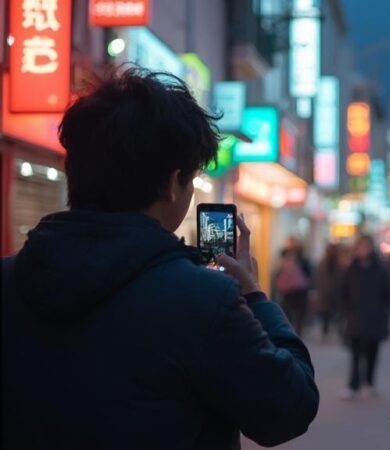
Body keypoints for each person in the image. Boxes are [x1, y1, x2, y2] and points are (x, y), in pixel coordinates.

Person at [1, 69, 318, 449]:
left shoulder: (9, 280)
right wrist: (253, 295)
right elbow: (289, 407)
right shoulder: (204, 300)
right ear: (172, 184)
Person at [340, 235, 390, 400]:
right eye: (360, 246)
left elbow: (387, 292)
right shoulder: (351, 268)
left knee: (372, 352)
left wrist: (383, 311)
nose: (363, 249)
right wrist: (346, 310)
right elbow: (343, 291)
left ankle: (369, 382)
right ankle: (353, 384)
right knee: (355, 353)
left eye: (366, 246)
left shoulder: (379, 268)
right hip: (355, 317)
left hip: (375, 317)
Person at [275, 237, 312, 336]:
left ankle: (296, 331)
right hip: (289, 290)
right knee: (289, 311)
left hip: (298, 289)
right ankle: (292, 330)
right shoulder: (284, 255)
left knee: (298, 312)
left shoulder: (300, 257)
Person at [315, 243, 343, 340]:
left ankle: (329, 332)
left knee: (331, 315)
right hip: (327, 294)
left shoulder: (337, 264)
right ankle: (326, 333)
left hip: (332, 293)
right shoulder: (325, 263)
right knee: (326, 315)